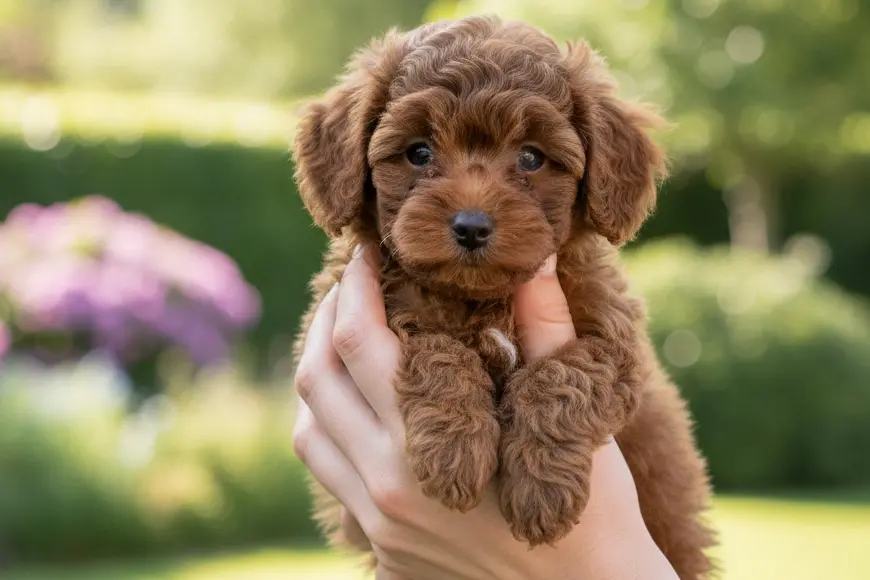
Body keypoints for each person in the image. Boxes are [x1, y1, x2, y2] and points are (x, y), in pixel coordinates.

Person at [292, 246, 679, 580]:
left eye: (528, 176)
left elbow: (616, 362)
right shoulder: (372, 287)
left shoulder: (583, 282)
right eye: (419, 166)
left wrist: (550, 431)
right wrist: (442, 383)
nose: (473, 212)